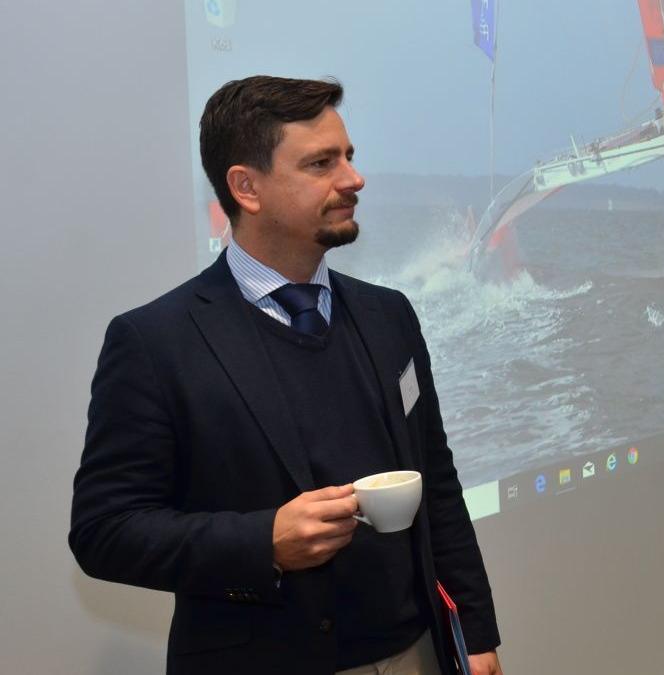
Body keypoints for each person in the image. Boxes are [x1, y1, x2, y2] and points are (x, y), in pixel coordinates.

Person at [69, 76, 502, 675]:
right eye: (322, 163)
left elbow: (439, 485)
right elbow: (104, 530)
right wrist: (264, 541)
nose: (353, 179)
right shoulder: (155, 342)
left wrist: (473, 633)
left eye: (348, 156)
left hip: (420, 653)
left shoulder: (389, 315)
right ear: (246, 188)